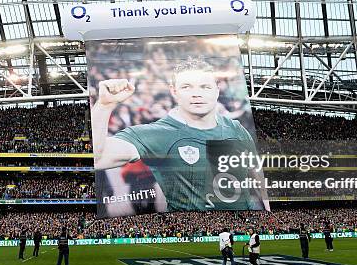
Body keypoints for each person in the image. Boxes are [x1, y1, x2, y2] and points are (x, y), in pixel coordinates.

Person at [91, 57, 267, 212]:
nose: (196, 93)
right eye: (186, 87)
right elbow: (98, 159)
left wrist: (267, 210)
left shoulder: (236, 129)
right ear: (174, 91)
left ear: (217, 90)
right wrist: (104, 105)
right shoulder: (157, 134)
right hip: (199, 235)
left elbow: (256, 174)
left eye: (205, 86)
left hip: (244, 226)